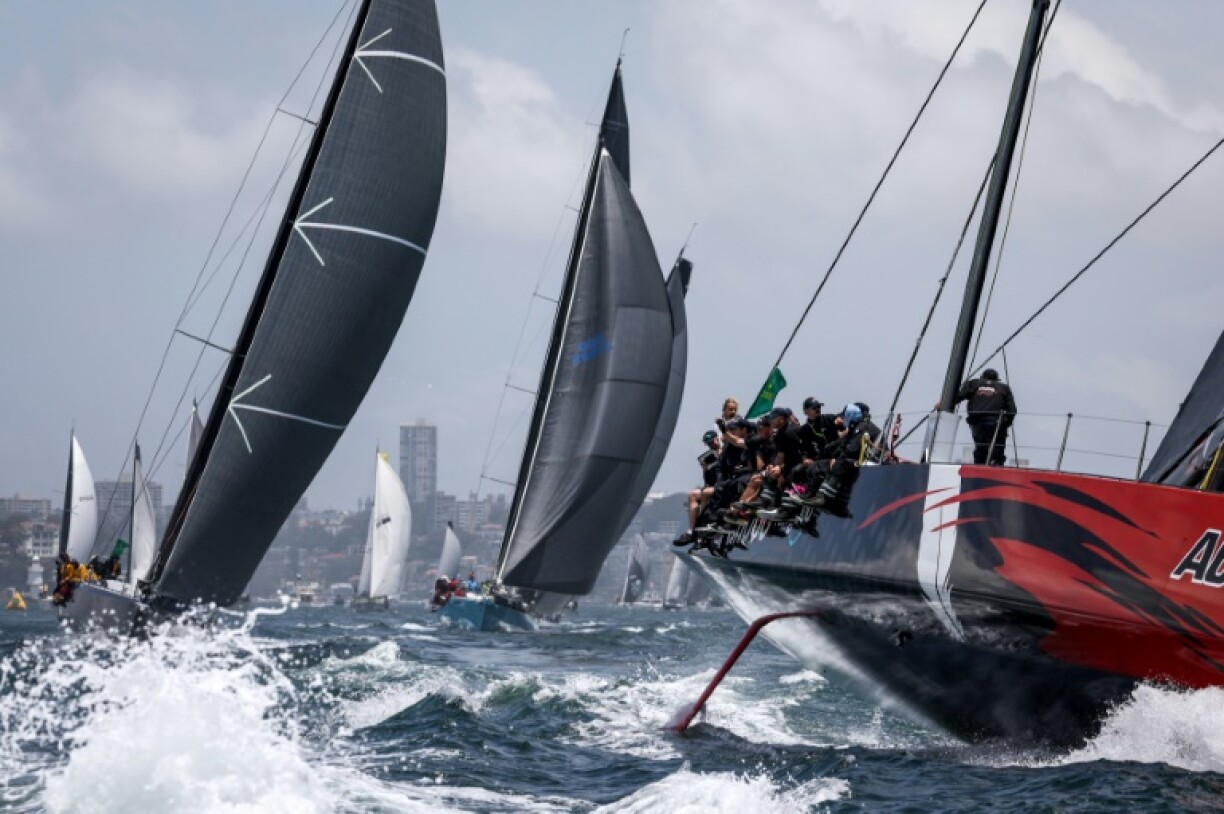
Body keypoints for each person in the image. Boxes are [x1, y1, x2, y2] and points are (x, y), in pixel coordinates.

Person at [952, 369, 1017, 465]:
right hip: (997, 423)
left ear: (982, 377)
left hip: (977, 422)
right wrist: (1006, 424)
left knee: (981, 448)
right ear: (996, 379)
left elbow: (958, 397)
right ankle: (996, 465)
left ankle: (979, 467)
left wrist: (943, 404)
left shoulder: (973, 384)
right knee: (997, 449)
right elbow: (1012, 410)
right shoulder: (1004, 388)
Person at [675, 430, 724, 546]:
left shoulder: (728, 451)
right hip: (711, 487)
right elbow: (708, 479)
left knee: (706, 492)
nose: (711, 445)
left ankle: (702, 523)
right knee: (693, 494)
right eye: (709, 444)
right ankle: (691, 530)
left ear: (718, 439)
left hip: (724, 486)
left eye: (712, 442)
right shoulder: (707, 457)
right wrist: (705, 468)